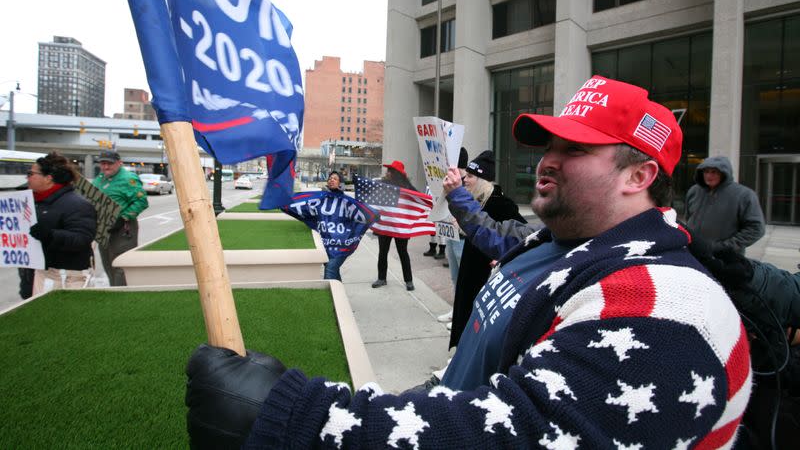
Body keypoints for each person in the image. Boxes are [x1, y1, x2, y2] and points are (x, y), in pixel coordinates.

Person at [186, 76, 751, 448]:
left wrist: (303, 420)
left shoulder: (667, 308)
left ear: (639, 175)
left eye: (574, 149)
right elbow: (489, 234)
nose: (546, 161)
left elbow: (519, 432)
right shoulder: (556, 243)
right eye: (549, 145)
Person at [447, 150, 525, 348]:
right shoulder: (477, 201)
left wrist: (505, 258)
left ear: (483, 180)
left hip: (486, 276)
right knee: (465, 312)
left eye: (471, 176)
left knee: (477, 322)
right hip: (471, 270)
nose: (466, 180)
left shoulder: (502, 204)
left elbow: (522, 239)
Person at [18, 152, 97, 299]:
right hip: (35, 277)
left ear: (48, 178)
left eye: (30, 173)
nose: (27, 177)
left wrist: (50, 235)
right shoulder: (29, 203)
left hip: (63, 281)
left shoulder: (77, 205)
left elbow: (82, 239)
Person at [685, 155, 765, 254]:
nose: (709, 176)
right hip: (694, 253)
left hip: (725, 258)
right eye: (706, 171)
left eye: (714, 172)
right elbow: (688, 219)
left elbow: (756, 228)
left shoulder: (744, 195)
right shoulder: (694, 191)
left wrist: (723, 247)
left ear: (724, 173)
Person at [92, 149, 148, 286]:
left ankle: (122, 293)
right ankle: (114, 290)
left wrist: (123, 217)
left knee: (121, 265)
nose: (105, 167)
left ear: (119, 163)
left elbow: (142, 201)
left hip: (122, 229)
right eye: (103, 163)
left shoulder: (129, 179)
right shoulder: (99, 179)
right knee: (107, 263)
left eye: (109, 164)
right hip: (103, 228)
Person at [371, 160, 418, 291]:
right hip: (385, 225)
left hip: (400, 226)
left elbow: (418, 199)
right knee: (383, 252)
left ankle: (409, 281)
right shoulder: (382, 184)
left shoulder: (407, 186)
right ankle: (381, 278)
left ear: (395, 173)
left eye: (390, 171)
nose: (387, 173)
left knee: (403, 252)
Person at [437, 146, 469, 325]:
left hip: (463, 236)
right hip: (450, 233)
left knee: (464, 278)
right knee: (455, 276)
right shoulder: (450, 181)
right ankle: (457, 310)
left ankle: (462, 316)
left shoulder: (467, 181)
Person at [322, 171, 347, 281]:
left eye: (335, 179)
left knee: (330, 270)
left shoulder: (346, 201)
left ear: (340, 183)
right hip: (326, 242)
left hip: (341, 243)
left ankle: (329, 295)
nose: (331, 180)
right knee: (333, 271)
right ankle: (340, 295)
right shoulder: (321, 198)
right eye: (330, 178)